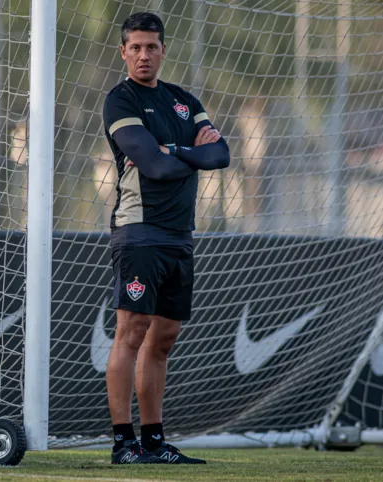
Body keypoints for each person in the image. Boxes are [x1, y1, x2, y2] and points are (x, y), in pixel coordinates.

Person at [102, 12, 230, 465]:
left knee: (165, 337)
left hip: (180, 235)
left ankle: (154, 441)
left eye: (151, 47)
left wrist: (173, 150)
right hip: (139, 231)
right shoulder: (120, 101)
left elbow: (222, 154)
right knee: (132, 331)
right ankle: (124, 443)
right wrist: (190, 153)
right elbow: (152, 167)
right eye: (135, 47)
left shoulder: (182, 100)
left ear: (162, 50)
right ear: (123, 52)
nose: (143, 55)